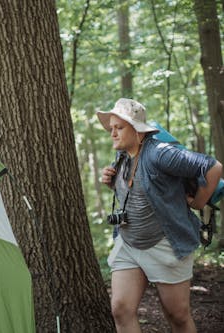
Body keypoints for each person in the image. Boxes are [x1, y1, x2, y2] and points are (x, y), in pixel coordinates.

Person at [97, 98, 222, 333]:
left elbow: (213, 167)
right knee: (121, 309)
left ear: (138, 130)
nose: (112, 133)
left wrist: (198, 202)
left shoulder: (161, 154)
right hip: (129, 244)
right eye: (111, 128)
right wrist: (112, 183)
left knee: (177, 316)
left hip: (165, 244)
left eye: (119, 128)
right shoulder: (123, 157)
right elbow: (140, 192)